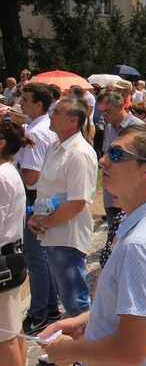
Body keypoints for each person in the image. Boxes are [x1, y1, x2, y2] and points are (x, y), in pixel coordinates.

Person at [41, 125, 146, 365]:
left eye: (117, 155)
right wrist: (88, 319)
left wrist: (70, 350)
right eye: (107, 151)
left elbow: (131, 350)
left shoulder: (140, 245)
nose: (103, 160)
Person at [28, 96, 98, 320]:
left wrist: (43, 222)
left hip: (67, 236)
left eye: (57, 112)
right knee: (66, 298)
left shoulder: (79, 153)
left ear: (73, 121)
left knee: (75, 301)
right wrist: (37, 218)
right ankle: (76, 348)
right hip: (54, 232)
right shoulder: (58, 147)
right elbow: (50, 192)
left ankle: (87, 350)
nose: (51, 116)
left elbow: (77, 203)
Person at [17, 83, 61, 336]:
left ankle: (39, 313)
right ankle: (50, 308)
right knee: (43, 258)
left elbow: (31, 177)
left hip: (34, 196)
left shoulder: (35, 133)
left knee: (35, 259)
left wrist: (13, 166)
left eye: (25, 99)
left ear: (38, 104)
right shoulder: (45, 126)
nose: (20, 103)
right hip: (45, 197)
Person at [0, 119, 31, 366]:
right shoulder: (8, 169)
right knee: (11, 328)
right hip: (10, 255)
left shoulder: (1, 175)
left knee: (3, 337)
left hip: (2, 257)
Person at [97, 88, 145, 229]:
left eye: (107, 111)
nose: (104, 116)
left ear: (120, 106)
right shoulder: (109, 128)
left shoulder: (137, 127)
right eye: (101, 112)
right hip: (110, 195)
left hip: (128, 195)